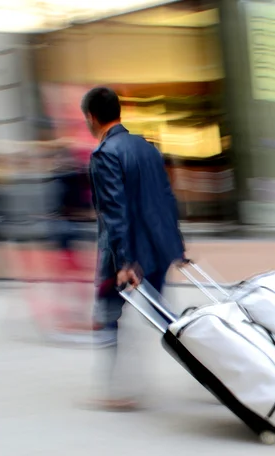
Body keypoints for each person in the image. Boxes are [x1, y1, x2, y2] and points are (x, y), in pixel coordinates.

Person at [81, 87, 185, 410]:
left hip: (125, 255)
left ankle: (116, 391)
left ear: (92, 117)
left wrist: (124, 261)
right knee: (164, 319)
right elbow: (166, 198)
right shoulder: (147, 148)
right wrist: (176, 245)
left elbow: (114, 211)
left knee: (107, 315)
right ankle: (218, 368)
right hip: (158, 246)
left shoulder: (104, 155)